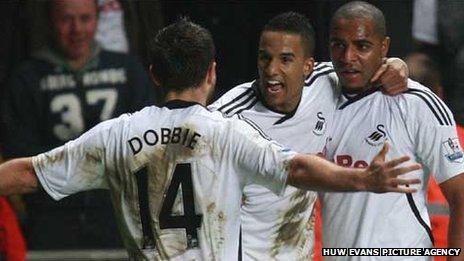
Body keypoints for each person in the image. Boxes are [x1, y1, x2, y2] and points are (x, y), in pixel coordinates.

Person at [0, 18, 422, 260]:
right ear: (211, 74)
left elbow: (25, 174)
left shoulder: (115, 135)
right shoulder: (225, 132)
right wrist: (363, 180)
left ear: (153, 75)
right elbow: (296, 167)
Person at [209, 12, 408, 260]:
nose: (272, 70)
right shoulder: (225, 119)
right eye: (265, 58)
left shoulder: (325, 82)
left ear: (307, 66)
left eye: (285, 60)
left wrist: (397, 65)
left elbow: (367, 67)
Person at [0, 0, 155, 249]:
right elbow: (18, 148)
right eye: (66, 20)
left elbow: (149, 140)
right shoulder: (27, 77)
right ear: (51, 21)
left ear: (98, 19)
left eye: (85, 19)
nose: (77, 29)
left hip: (119, 215)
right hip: (51, 218)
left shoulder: (129, 71)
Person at [320, 1, 464, 258]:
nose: (347, 57)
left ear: (384, 47)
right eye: (338, 45)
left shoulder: (417, 103)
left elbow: (460, 196)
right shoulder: (315, 96)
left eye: (362, 46)